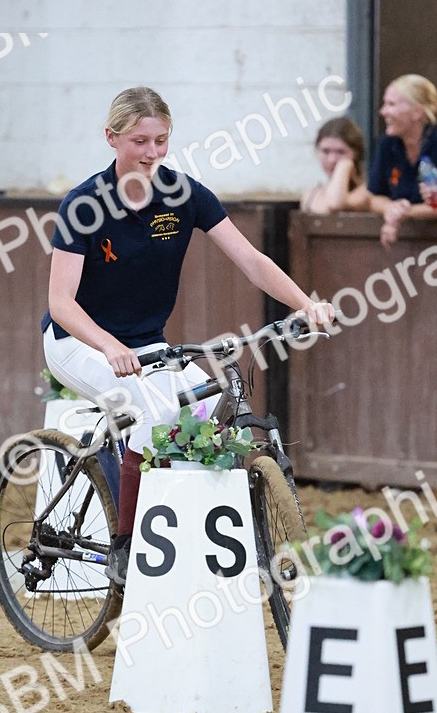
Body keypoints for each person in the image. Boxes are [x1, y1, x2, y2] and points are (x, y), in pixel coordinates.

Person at [42, 86, 335, 583]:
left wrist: (306, 304)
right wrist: (110, 346)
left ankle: (189, 535)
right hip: (79, 343)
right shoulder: (83, 204)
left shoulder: (185, 195)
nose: (152, 153)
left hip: (149, 344)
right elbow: (60, 303)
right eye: (139, 141)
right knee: (152, 413)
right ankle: (124, 546)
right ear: (111, 139)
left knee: (203, 415)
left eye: (161, 140)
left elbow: (251, 261)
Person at [366, 74, 437, 248]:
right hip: (402, 246)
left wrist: (404, 212)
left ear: (417, 112)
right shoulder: (387, 143)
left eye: (391, 104)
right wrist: (392, 209)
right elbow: (373, 197)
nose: (383, 111)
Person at [301, 117, 370, 214]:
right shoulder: (312, 195)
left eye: (341, 152)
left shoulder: (367, 192)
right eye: (325, 151)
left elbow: (335, 203)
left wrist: (344, 167)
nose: (332, 159)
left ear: (356, 154)